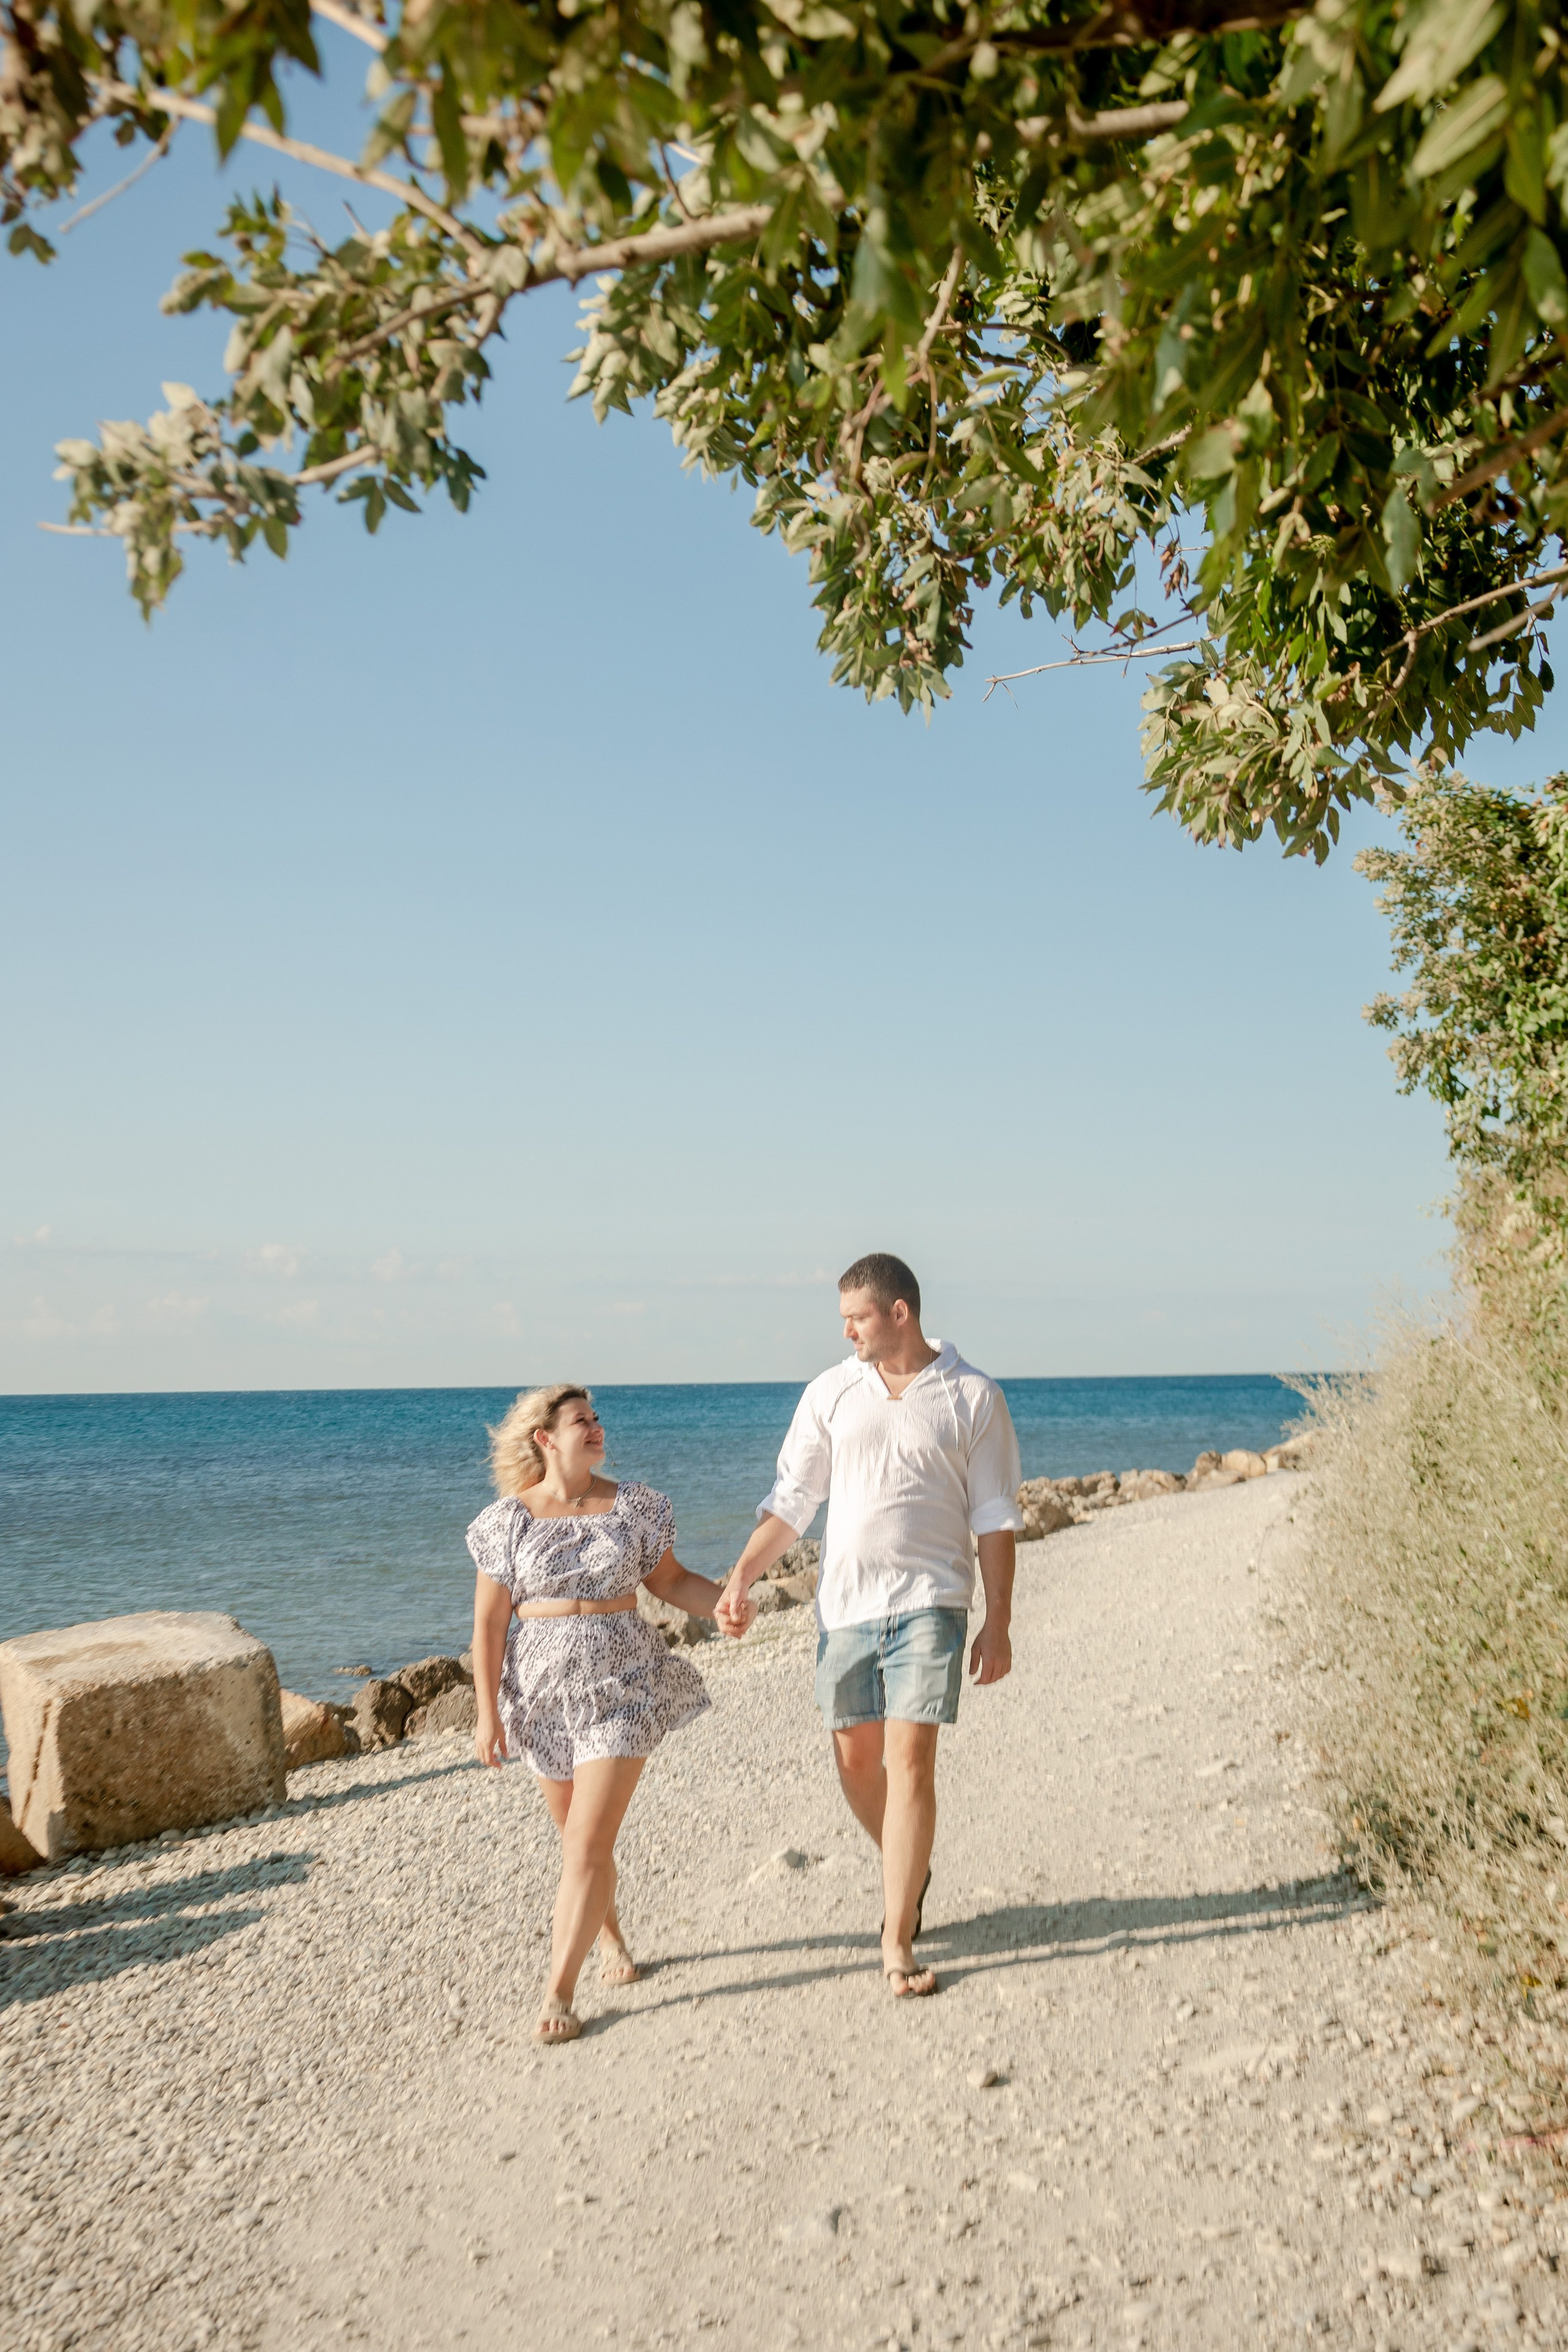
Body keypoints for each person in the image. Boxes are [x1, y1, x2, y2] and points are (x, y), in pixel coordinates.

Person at [715, 1254, 1022, 1999]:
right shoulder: (830, 1393)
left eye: (856, 1316)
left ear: (898, 1314)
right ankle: (906, 1868)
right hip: (845, 1608)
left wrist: (999, 1621)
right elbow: (793, 1502)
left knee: (910, 1761)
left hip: (932, 1602)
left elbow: (995, 1519)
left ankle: (896, 1937)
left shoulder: (972, 1395)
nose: (845, 1329)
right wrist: (739, 1577)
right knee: (856, 1765)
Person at [468, 1383, 720, 2043]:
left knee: (586, 1842)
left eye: (598, 1418)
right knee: (575, 1834)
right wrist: (486, 1713)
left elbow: (670, 1583)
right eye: (582, 1420)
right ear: (545, 1438)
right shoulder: (509, 1522)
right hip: (540, 1694)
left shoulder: (635, 1506)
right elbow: (490, 1625)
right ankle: (608, 1936)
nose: (597, 1427)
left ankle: (558, 1990)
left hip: (624, 1683)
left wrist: (725, 1603)